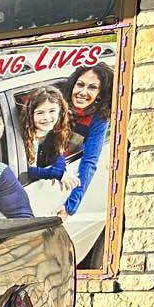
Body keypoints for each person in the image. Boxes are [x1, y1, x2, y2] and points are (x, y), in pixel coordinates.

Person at [61, 62, 114, 218]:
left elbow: (89, 161)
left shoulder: (98, 119)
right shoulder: (56, 102)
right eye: (80, 84)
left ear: (100, 93)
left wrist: (70, 206)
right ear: (73, 85)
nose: (83, 92)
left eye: (92, 87)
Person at [17, 87, 76, 193]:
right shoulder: (24, 137)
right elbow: (28, 172)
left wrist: (60, 169)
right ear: (30, 114)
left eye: (52, 111)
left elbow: (59, 155)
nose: (47, 117)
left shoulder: (55, 132)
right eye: (40, 113)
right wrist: (56, 174)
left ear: (60, 111)